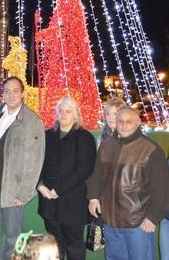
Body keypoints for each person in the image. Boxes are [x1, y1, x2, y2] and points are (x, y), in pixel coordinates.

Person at [88, 106, 169, 260]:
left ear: (138, 123)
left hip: (138, 225)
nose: (124, 125)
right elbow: (96, 175)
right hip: (111, 221)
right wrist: (93, 198)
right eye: (120, 121)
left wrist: (152, 218)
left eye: (129, 121)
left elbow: (162, 190)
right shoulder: (106, 145)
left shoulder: (150, 150)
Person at [0, 76, 45, 260]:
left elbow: (35, 160)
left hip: (14, 192)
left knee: (13, 239)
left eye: (15, 90)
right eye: (7, 91)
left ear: (23, 94)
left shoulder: (32, 122)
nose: (11, 95)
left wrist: (24, 193)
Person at [37, 97, 96, 260]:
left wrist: (58, 190)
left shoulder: (84, 137)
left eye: (68, 111)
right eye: (60, 111)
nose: (63, 114)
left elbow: (84, 169)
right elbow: (37, 163)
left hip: (73, 203)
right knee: (55, 245)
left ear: (76, 115)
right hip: (49, 201)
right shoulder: (47, 135)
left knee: (73, 245)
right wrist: (40, 184)